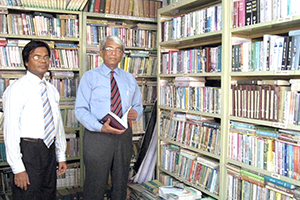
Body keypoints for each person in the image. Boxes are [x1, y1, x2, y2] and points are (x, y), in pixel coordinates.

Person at [75, 35, 143, 200]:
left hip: (123, 135)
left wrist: (137, 112)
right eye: (110, 49)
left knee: (120, 182)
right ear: (101, 53)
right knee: (95, 183)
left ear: (122, 55)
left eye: (118, 50)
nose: (114, 53)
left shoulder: (129, 78)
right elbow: (80, 110)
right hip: (98, 135)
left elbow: (138, 106)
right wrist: (100, 127)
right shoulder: (89, 77)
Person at [3, 40, 67, 200]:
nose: (43, 61)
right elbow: (11, 130)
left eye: (46, 57)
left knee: (48, 194)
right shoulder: (16, 89)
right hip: (29, 151)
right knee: (28, 195)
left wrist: (61, 155)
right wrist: (18, 168)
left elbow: (57, 125)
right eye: (37, 57)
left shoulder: (51, 90)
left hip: (49, 150)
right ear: (26, 61)